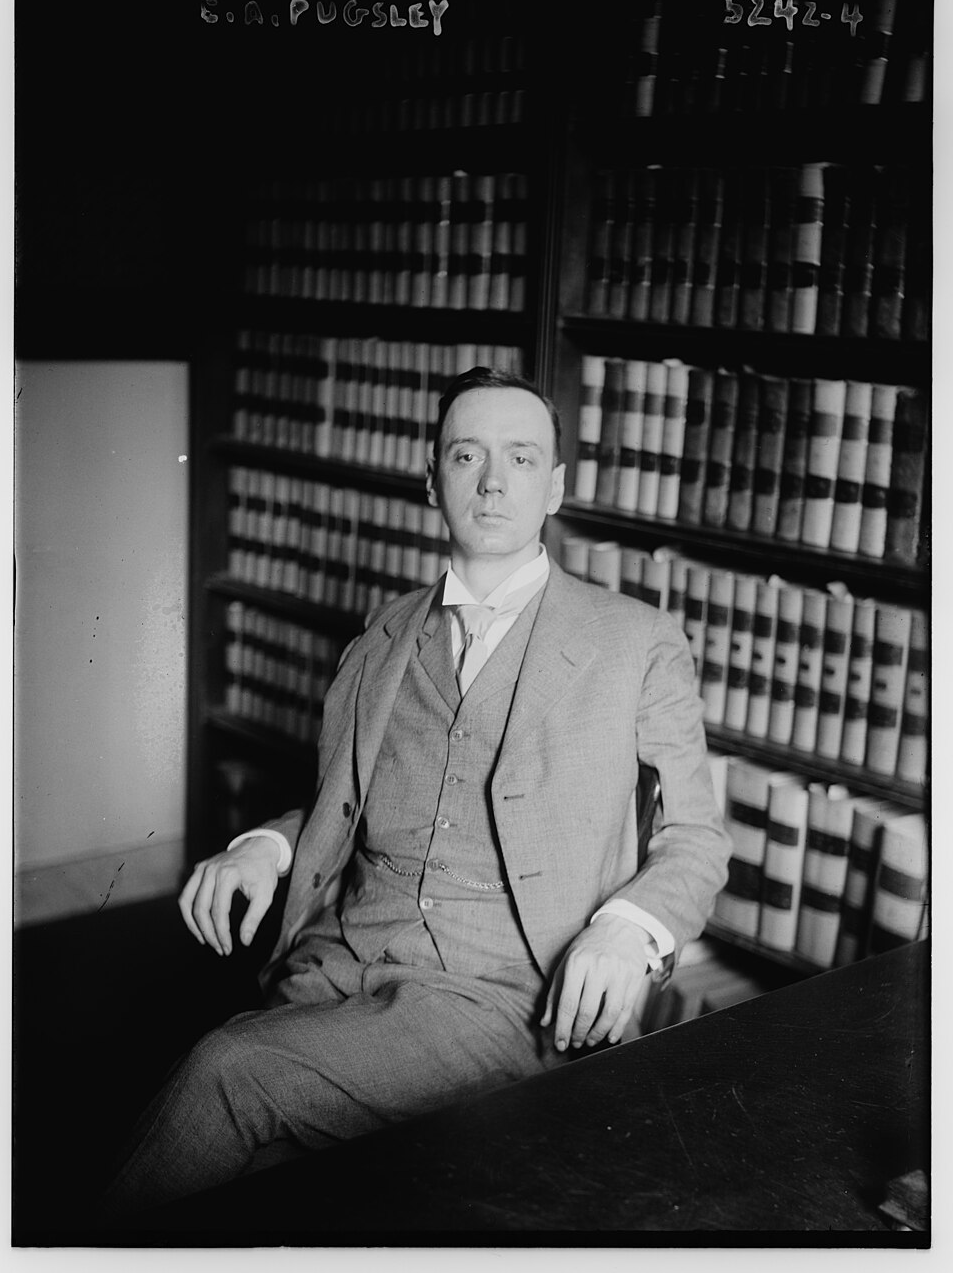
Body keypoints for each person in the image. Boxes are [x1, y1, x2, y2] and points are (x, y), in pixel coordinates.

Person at [102, 368, 731, 1217]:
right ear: (432, 479)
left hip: (499, 996)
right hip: (336, 958)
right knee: (255, 1173)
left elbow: (696, 838)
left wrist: (628, 930)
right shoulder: (383, 631)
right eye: (467, 455)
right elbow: (355, 798)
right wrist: (269, 846)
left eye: (521, 457)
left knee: (227, 1073)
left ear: (555, 487)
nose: (493, 481)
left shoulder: (636, 641)